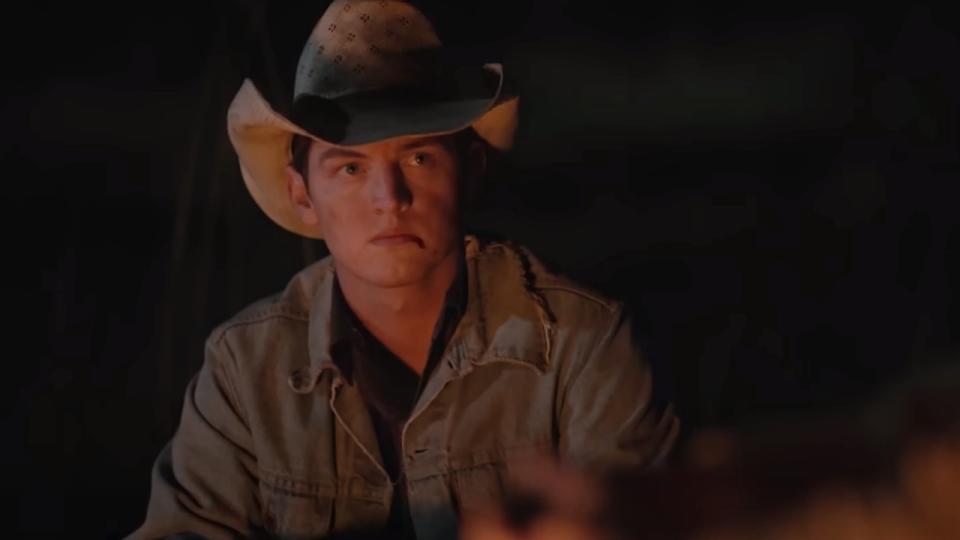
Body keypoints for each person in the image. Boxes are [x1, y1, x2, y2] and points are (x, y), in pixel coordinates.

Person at [129, 1, 678, 539]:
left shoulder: (582, 347)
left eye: (419, 158)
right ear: (302, 194)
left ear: (470, 169)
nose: (389, 198)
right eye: (349, 167)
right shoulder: (245, 371)